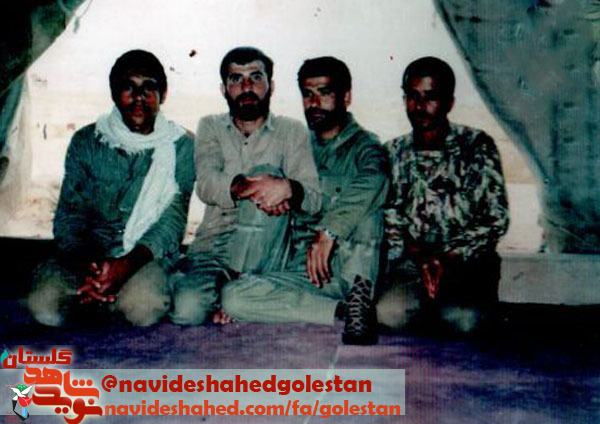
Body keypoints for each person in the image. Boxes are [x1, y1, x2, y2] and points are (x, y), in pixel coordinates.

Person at [222, 57, 389, 345]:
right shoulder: (297, 145)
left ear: (346, 97)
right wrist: (282, 192)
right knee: (233, 298)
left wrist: (328, 230)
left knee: (369, 198)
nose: (314, 103)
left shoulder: (366, 146)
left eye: (324, 93)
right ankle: (341, 312)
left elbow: (375, 178)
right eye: (307, 94)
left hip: (349, 266)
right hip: (302, 268)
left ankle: (358, 300)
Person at [26, 50, 195, 327]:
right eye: (129, 87)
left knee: (144, 308)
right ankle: (99, 295)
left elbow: (172, 221)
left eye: (149, 87)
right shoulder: (86, 141)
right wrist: (92, 268)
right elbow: (70, 215)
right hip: (86, 257)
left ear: (163, 94)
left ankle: (106, 299)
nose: (139, 97)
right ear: (114, 93)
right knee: (44, 307)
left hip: (143, 258)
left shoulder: (182, 146)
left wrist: (124, 267)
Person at [169, 47, 321, 325]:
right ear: (223, 89)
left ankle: (241, 294)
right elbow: (206, 185)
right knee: (186, 311)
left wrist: (288, 189)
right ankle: (234, 296)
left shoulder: (291, 131)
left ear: (271, 85)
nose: (247, 87)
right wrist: (251, 188)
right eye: (236, 79)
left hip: (269, 253)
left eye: (255, 77)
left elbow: (313, 198)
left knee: (269, 174)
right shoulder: (210, 127)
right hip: (215, 249)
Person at [377, 56, 510, 334]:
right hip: (411, 263)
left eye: (430, 97)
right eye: (412, 96)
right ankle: (427, 307)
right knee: (389, 314)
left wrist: (446, 257)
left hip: (465, 263)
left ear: (449, 102)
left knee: (465, 321)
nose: (419, 106)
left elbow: (495, 218)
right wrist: (420, 257)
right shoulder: (393, 152)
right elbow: (388, 214)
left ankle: (443, 309)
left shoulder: (476, 147)